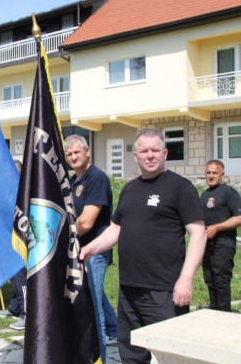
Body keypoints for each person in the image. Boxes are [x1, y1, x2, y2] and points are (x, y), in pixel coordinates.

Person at [80, 128, 206, 364]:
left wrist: (186, 279)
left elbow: (198, 234)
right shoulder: (129, 189)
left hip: (165, 292)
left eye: (155, 150)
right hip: (128, 291)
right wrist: (91, 249)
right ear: (135, 156)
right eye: (144, 151)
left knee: (171, 356)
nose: (150, 155)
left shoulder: (181, 187)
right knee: (131, 355)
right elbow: (116, 229)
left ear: (165, 153)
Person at [64, 135, 117, 363]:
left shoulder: (97, 178)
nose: (74, 157)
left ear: (87, 151)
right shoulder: (72, 181)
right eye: (69, 154)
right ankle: (116, 329)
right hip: (79, 251)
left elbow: (86, 222)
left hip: (95, 252)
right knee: (95, 296)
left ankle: (100, 357)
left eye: (77, 152)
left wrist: (59, 238)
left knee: (94, 309)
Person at [201, 160, 241, 312]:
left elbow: (239, 218)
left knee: (221, 280)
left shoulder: (229, 192)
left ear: (222, 175)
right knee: (209, 279)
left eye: (215, 173)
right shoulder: (204, 194)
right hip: (207, 245)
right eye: (208, 173)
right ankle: (214, 311)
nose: (211, 176)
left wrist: (217, 227)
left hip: (223, 244)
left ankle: (224, 314)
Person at [0, 159, 27, 331]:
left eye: (10, 171)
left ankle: (26, 313)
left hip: (20, 239)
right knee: (13, 274)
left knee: (20, 276)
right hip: (8, 238)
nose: (6, 174)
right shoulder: (8, 191)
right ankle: (15, 307)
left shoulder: (23, 190)